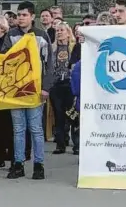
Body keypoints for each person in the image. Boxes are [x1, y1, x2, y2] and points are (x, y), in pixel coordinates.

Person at [2, 1, 53, 180]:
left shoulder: (41, 36)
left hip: (35, 90)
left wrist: (46, 88)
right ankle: (18, 164)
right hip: (16, 90)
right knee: (18, 129)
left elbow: (49, 64)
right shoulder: (11, 35)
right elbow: (4, 61)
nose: (21, 18)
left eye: (24, 15)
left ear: (32, 16)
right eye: (18, 15)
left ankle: (39, 165)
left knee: (36, 129)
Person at [0, 15, 32, 169]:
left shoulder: (9, 41)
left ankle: (14, 157)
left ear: (3, 27)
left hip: (9, 90)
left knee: (10, 126)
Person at [49, 22, 75, 154]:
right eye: (57, 30)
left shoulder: (73, 47)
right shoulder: (52, 48)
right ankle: (60, 143)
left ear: (68, 32)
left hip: (70, 84)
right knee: (58, 115)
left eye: (62, 30)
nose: (59, 32)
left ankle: (77, 145)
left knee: (73, 114)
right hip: (56, 85)